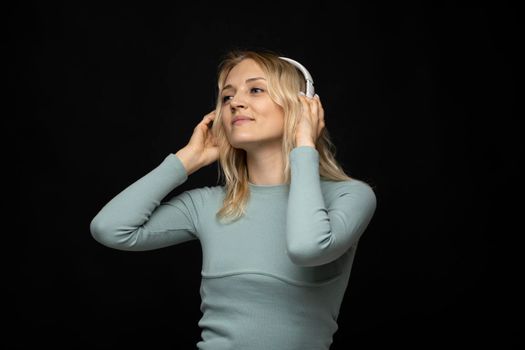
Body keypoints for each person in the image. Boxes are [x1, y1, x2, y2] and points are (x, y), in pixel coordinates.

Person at [90, 49, 377, 349]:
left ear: (303, 106)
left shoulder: (350, 196)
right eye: (227, 97)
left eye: (255, 89)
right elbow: (109, 228)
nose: (235, 102)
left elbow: (307, 248)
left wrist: (305, 145)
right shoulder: (208, 204)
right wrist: (186, 160)